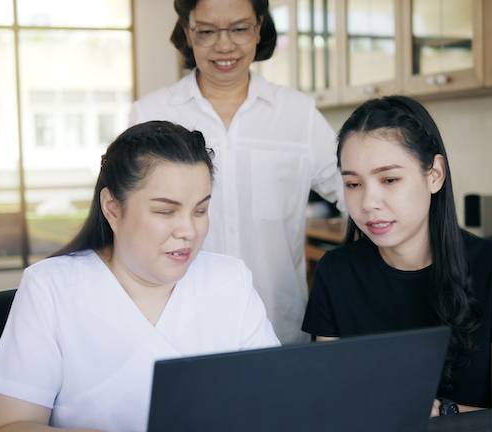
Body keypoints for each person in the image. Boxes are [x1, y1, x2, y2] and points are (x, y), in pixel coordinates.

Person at [0, 121, 279, 432]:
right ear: (112, 207)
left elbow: (278, 400)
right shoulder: (50, 288)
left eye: (200, 211)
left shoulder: (230, 281)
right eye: (165, 212)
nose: (188, 231)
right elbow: (8, 425)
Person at [301, 96, 492, 416]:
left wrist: (440, 410)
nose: (368, 202)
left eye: (389, 179)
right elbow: (329, 401)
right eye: (353, 183)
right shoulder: (336, 271)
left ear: (435, 175)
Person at [129, 0, 344, 344]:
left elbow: (355, 192)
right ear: (188, 31)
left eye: (240, 28)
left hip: (279, 329)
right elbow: (125, 224)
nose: (224, 45)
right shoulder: (151, 112)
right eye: (208, 31)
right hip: (178, 331)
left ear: (259, 27)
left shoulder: (298, 114)